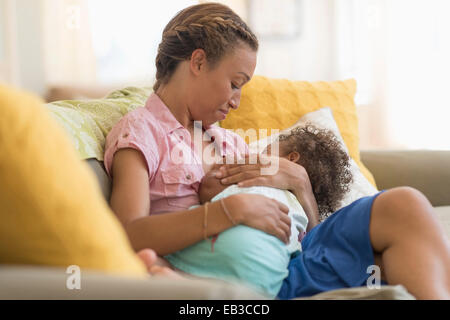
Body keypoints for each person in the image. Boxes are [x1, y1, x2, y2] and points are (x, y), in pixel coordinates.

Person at [104, 3, 450, 299]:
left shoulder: (228, 142)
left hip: (293, 260)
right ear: (197, 62)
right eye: (235, 84)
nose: (237, 101)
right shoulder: (142, 133)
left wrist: (299, 183)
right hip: (247, 272)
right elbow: (127, 233)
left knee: (405, 209)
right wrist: (227, 211)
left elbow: (306, 234)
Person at [162, 124, 354, 298]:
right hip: (265, 281)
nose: (257, 155)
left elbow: (208, 189)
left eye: (267, 151)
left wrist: (219, 169)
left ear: (291, 159)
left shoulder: (251, 176)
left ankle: (169, 271)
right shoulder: (301, 216)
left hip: (222, 249)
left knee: (163, 259)